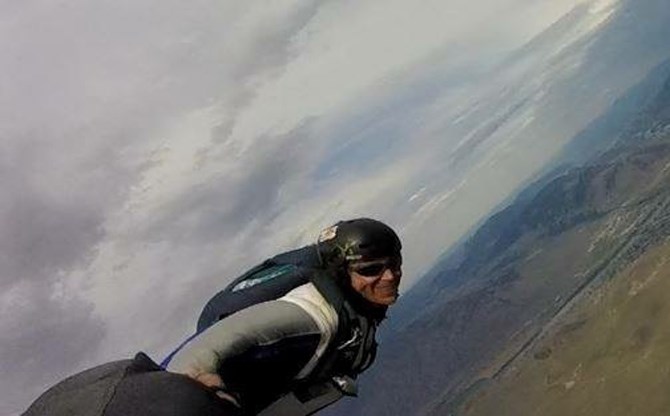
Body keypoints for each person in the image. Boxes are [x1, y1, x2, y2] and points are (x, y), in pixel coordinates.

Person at [164, 218, 403, 416]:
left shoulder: (348, 309)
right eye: (370, 270)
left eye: (394, 263)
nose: (390, 276)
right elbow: (208, 345)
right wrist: (198, 393)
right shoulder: (310, 313)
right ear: (341, 272)